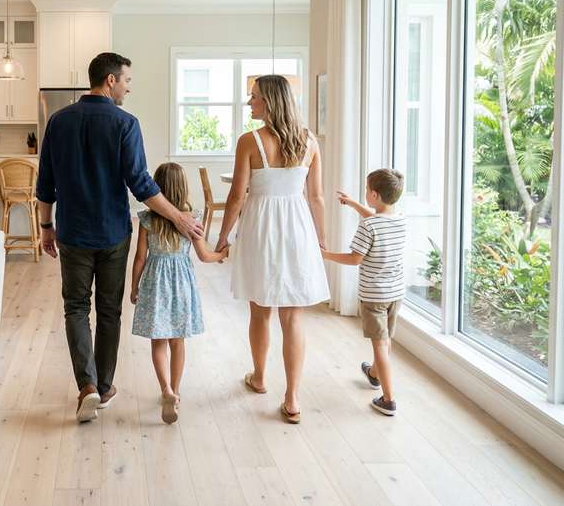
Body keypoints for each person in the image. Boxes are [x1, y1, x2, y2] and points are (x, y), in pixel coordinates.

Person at [36, 52, 203, 424]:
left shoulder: (58, 121)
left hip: (72, 232)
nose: (128, 87)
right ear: (110, 80)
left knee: (75, 308)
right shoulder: (125, 123)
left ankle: (87, 387)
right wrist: (179, 217)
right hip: (112, 232)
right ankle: (105, 385)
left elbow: (45, 183)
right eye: (126, 80)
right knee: (109, 310)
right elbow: (141, 184)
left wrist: (46, 227)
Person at [215, 74, 329, 424]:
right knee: (293, 316)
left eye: (254, 97)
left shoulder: (249, 141)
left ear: (270, 101)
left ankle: (260, 377)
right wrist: (320, 239)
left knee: (260, 309)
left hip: (261, 227)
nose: (249, 102)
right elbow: (316, 197)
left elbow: (237, 197)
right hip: (297, 227)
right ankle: (292, 398)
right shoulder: (309, 141)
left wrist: (223, 237)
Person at [130, 162, 228, 424]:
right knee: (177, 341)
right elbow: (204, 256)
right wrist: (222, 254)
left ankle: (165, 390)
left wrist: (134, 287)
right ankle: (176, 390)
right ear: (183, 187)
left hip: (155, 284)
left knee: (158, 342)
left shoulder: (147, 219)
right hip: (181, 286)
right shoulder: (191, 219)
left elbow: (140, 258)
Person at [322, 169, 407, 416]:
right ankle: (373, 374)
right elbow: (378, 218)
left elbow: (355, 258)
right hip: (395, 293)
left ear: (374, 194)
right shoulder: (400, 219)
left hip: (374, 296)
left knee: (379, 345)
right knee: (386, 339)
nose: (365, 194)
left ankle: (388, 400)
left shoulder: (368, 226)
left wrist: (324, 255)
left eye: (366, 191)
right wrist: (353, 204)